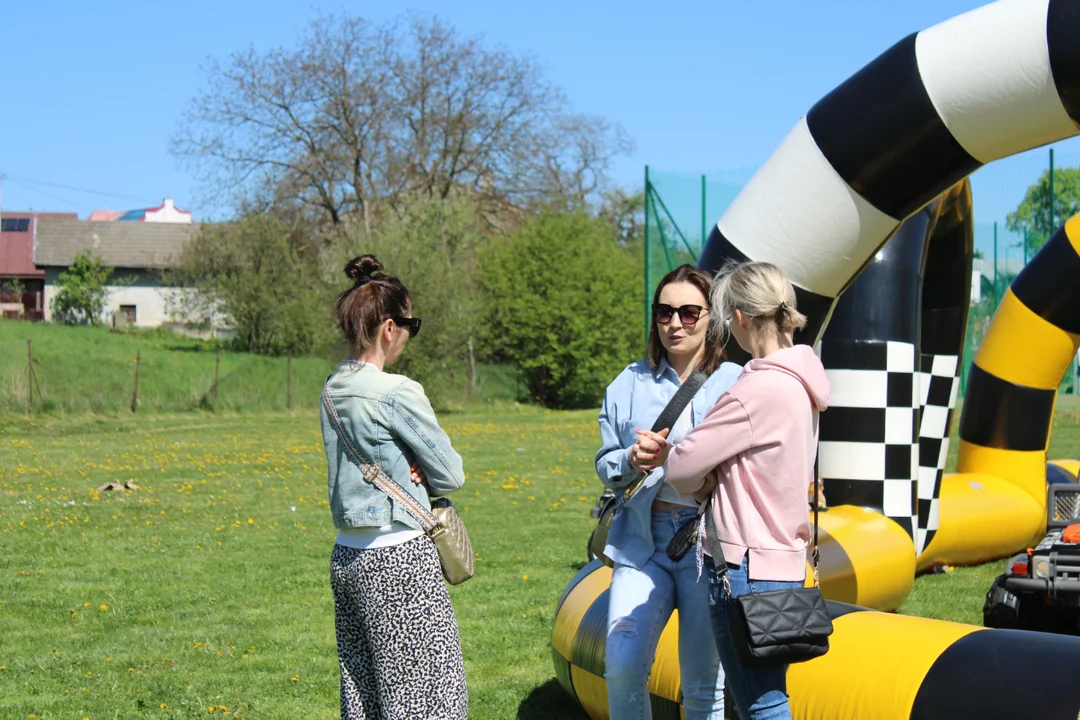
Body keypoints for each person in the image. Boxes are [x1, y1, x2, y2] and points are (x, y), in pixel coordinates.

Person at [656, 260, 830, 720]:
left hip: (743, 569)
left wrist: (703, 482)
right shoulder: (804, 382)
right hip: (784, 562)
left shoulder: (756, 388)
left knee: (761, 704)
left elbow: (681, 463)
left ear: (739, 319)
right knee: (768, 696)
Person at [320, 254, 468, 720]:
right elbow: (451, 474)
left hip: (346, 557)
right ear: (389, 327)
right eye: (411, 324)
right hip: (397, 556)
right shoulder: (397, 390)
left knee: (365, 698)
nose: (408, 335)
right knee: (426, 700)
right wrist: (419, 466)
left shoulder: (330, 389)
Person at [595, 264, 742, 720]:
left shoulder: (736, 379)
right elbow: (605, 463)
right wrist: (628, 461)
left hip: (708, 542)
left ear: (710, 318)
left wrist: (678, 457)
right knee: (620, 666)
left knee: (703, 687)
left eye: (688, 312)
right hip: (643, 540)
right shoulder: (628, 382)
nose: (674, 323)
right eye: (664, 312)